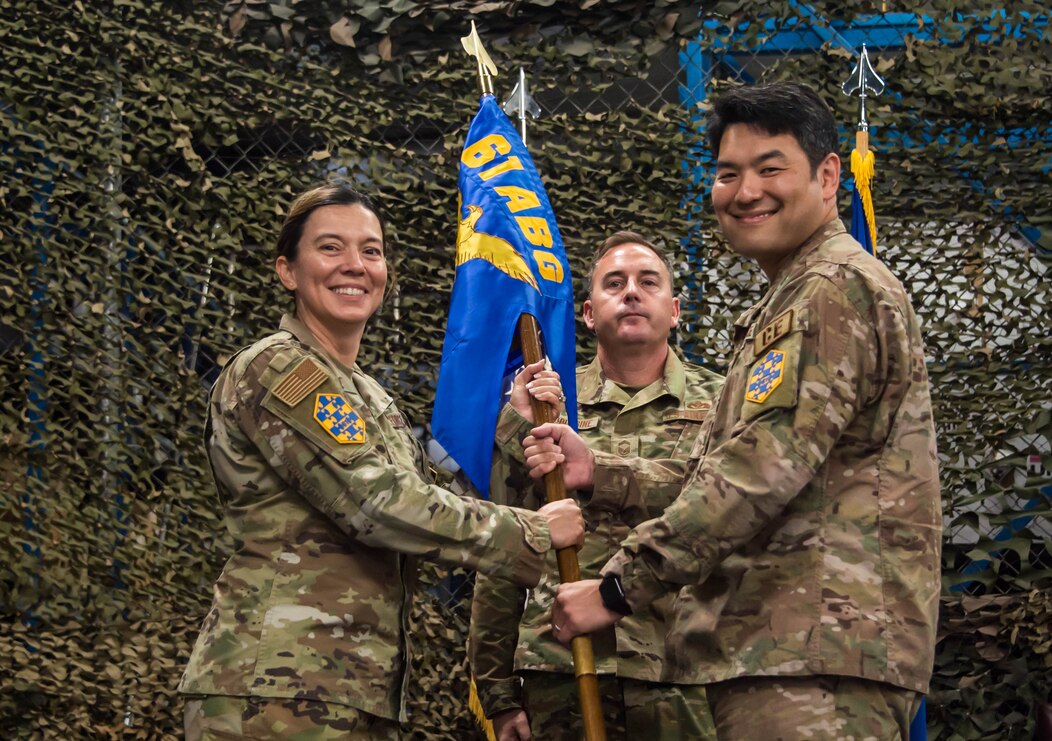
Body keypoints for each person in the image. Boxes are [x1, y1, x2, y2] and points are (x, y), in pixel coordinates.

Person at [523, 82, 942, 740]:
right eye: (728, 173)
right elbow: (727, 468)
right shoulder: (796, 296)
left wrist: (615, 589)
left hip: (811, 659)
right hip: (786, 652)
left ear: (829, 176)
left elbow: (755, 472)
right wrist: (601, 473)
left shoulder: (829, 290)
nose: (746, 191)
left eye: (771, 168)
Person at [178, 182, 584, 740]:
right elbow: (378, 504)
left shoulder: (366, 394)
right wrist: (535, 534)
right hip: (273, 690)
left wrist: (515, 428)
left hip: (349, 688)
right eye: (330, 248)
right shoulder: (276, 369)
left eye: (370, 250)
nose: (355, 266)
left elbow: (443, 502)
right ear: (287, 271)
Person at [469, 231, 723, 740]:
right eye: (615, 283)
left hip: (687, 674)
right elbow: (505, 542)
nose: (631, 292)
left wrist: (597, 471)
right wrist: (496, 691)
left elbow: (727, 507)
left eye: (647, 282)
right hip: (561, 668)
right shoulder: (546, 407)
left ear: (674, 310)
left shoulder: (725, 403)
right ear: (587, 312)